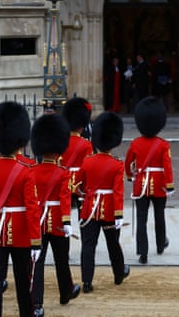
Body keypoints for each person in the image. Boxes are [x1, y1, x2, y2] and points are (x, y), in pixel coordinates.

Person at [0, 101, 42, 317]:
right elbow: (32, 210)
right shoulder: (26, 171)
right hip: (21, 233)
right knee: (23, 281)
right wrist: (36, 241)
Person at [29, 114, 81, 317]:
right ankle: (65, 292)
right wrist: (67, 221)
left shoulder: (31, 171)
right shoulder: (63, 172)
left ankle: (37, 303)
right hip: (58, 222)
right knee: (61, 259)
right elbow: (65, 198)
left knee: (37, 263)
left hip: (38, 221)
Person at [78, 111, 130, 293]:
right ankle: (118, 273)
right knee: (113, 244)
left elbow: (79, 185)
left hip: (89, 209)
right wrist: (118, 214)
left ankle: (86, 281)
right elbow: (118, 192)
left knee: (88, 246)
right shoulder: (117, 164)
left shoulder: (87, 162)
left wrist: (85, 194)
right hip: (108, 209)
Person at [125, 97, 175, 264]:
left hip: (141, 185)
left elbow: (128, 163)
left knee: (141, 219)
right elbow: (167, 166)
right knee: (159, 216)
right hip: (159, 184)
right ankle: (160, 244)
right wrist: (170, 185)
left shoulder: (136, 143)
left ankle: (143, 252)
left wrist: (130, 176)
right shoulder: (163, 144)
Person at [61, 97, 94, 212]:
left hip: (64, 180)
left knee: (64, 212)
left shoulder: (62, 142)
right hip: (80, 182)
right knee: (83, 212)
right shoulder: (86, 144)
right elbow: (88, 167)